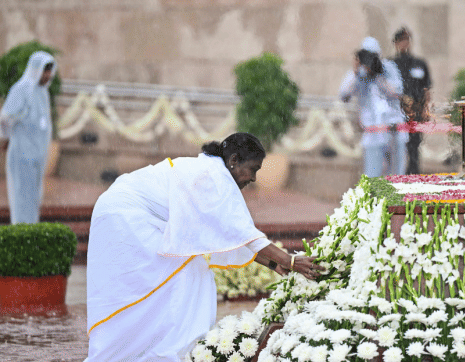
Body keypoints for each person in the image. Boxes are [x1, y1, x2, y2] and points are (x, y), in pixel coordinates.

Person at [84, 133, 324, 361]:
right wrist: (290, 261)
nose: (253, 178)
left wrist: (274, 263)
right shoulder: (214, 177)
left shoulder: (213, 171)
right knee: (188, 273)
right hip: (125, 217)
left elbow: (229, 235)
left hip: (123, 214)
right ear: (233, 160)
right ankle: (170, 351)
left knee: (189, 273)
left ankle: (159, 350)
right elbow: (244, 234)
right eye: (253, 170)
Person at [0, 51, 56, 224]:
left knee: (34, 200)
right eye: (45, 70)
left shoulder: (43, 93)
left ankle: (32, 236)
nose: (48, 75)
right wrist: (6, 137)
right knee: (20, 199)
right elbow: (5, 117)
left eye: (50, 71)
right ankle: (21, 237)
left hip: (38, 156)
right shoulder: (21, 89)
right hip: (22, 155)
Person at [339, 36, 406, 177]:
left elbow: (397, 92)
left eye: (373, 56)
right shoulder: (357, 74)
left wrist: (377, 75)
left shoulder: (389, 68)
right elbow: (344, 96)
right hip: (372, 133)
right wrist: (357, 73)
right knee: (372, 177)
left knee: (396, 177)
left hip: (394, 131)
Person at [391, 27, 432, 175]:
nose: (404, 44)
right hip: (396, 114)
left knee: (414, 150)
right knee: (396, 150)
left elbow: (426, 90)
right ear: (395, 43)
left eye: (406, 40)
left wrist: (425, 110)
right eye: (401, 41)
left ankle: (413, 179)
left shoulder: (419, 64)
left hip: (415, 114)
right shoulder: (391, 64)